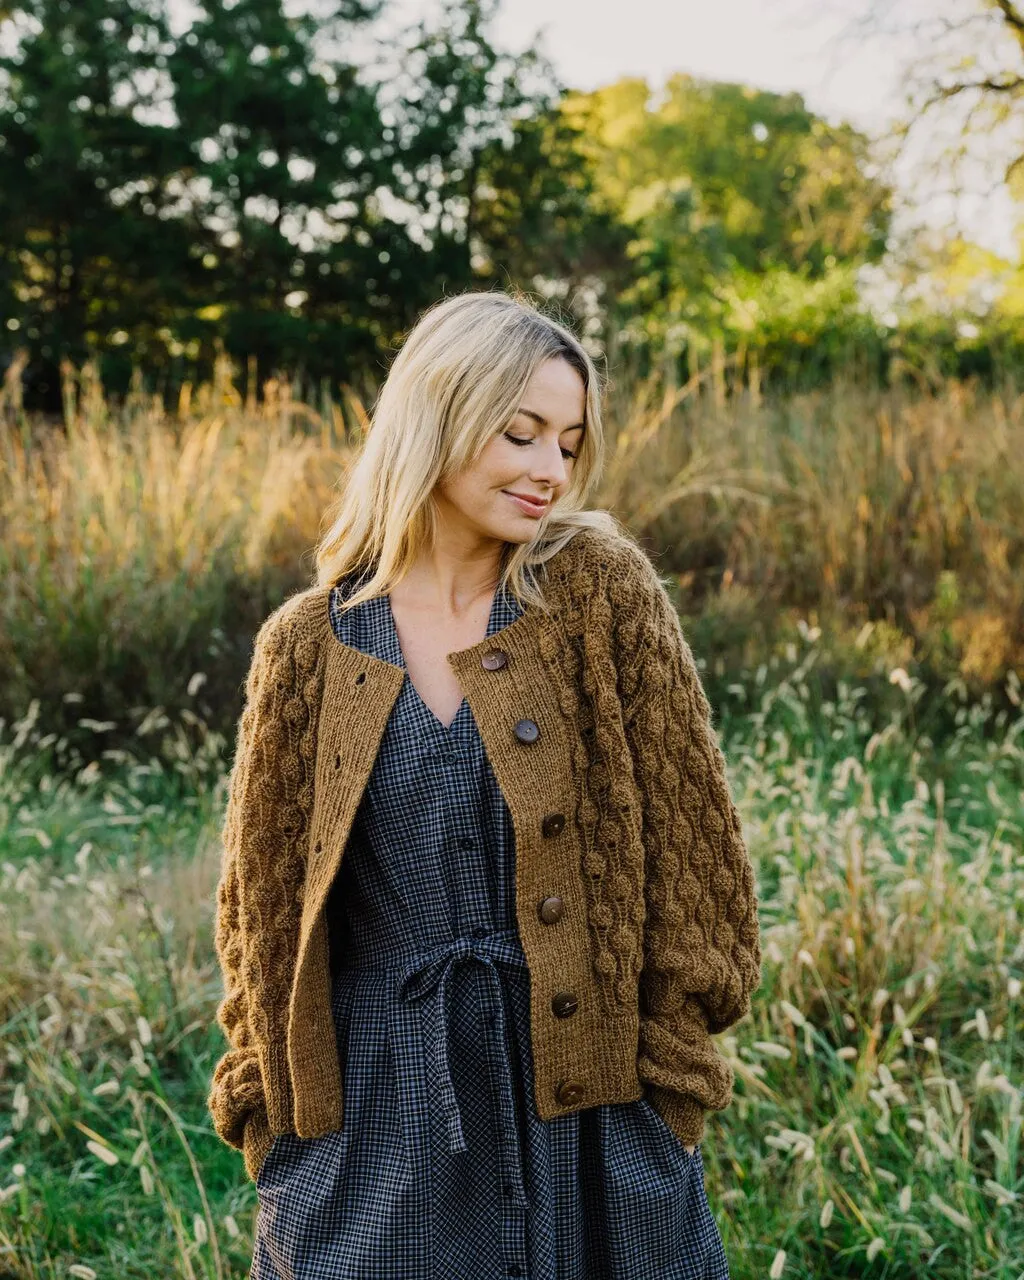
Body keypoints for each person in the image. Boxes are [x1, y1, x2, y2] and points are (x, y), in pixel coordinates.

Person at [207, 289, 763, 1280]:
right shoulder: (309, 644)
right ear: (438, 416)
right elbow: (260, 915)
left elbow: (696, 860)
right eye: (521, 433)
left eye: (569, 442)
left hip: (593, 1111)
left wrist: (670, 1092)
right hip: (369, 1128)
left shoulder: (599, 594)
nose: (550, 469)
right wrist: (269, 1121)